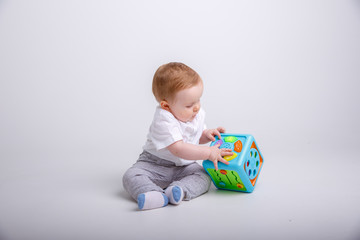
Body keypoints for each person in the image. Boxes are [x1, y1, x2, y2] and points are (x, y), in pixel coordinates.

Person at [122, 62, 233, 210]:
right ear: (166, 106)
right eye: (189, 105)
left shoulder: (195, 113)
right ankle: (152, 193)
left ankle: (178, 190)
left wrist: (207, 134)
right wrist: (208, 153)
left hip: (184, 166)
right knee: (131, 175)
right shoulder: (163, 119)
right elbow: (178, 149)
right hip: (154, 164)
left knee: (205, 176)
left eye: (198, 100)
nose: (196, 107)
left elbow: (195, 137)